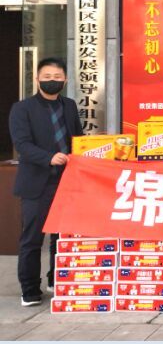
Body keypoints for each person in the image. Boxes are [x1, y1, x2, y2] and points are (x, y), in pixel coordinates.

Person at [9, 58, 83, 306]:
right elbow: (22, 145)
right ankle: (29, 289)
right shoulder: (22, 108)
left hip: (67, 181)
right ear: (37, 79)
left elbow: (78, 139)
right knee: (32, 238)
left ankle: (56, 280)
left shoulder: (69, 105)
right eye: (47, 77)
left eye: (57, 77)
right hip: (36, 183)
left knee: (61, 237)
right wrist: (48, 157)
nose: (53, 81)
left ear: (66, 80)